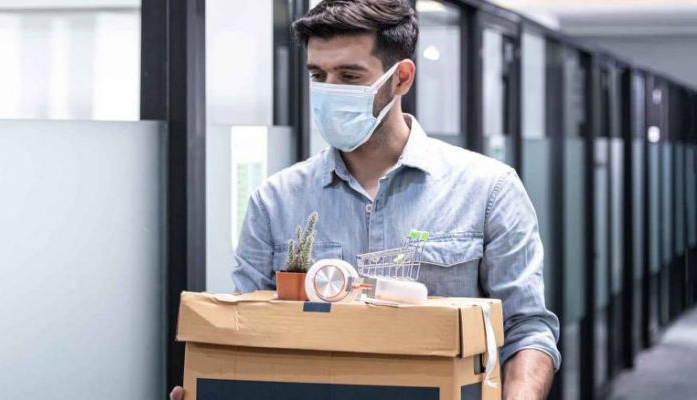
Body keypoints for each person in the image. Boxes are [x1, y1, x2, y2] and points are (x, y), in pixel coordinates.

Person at [171, 0, 559, 399]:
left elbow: (526, 328)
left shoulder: (487, 190)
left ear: (401, 78)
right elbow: (241, 332)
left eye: (350, 75)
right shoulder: (275, 201)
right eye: (318, 75)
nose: (329, 91)